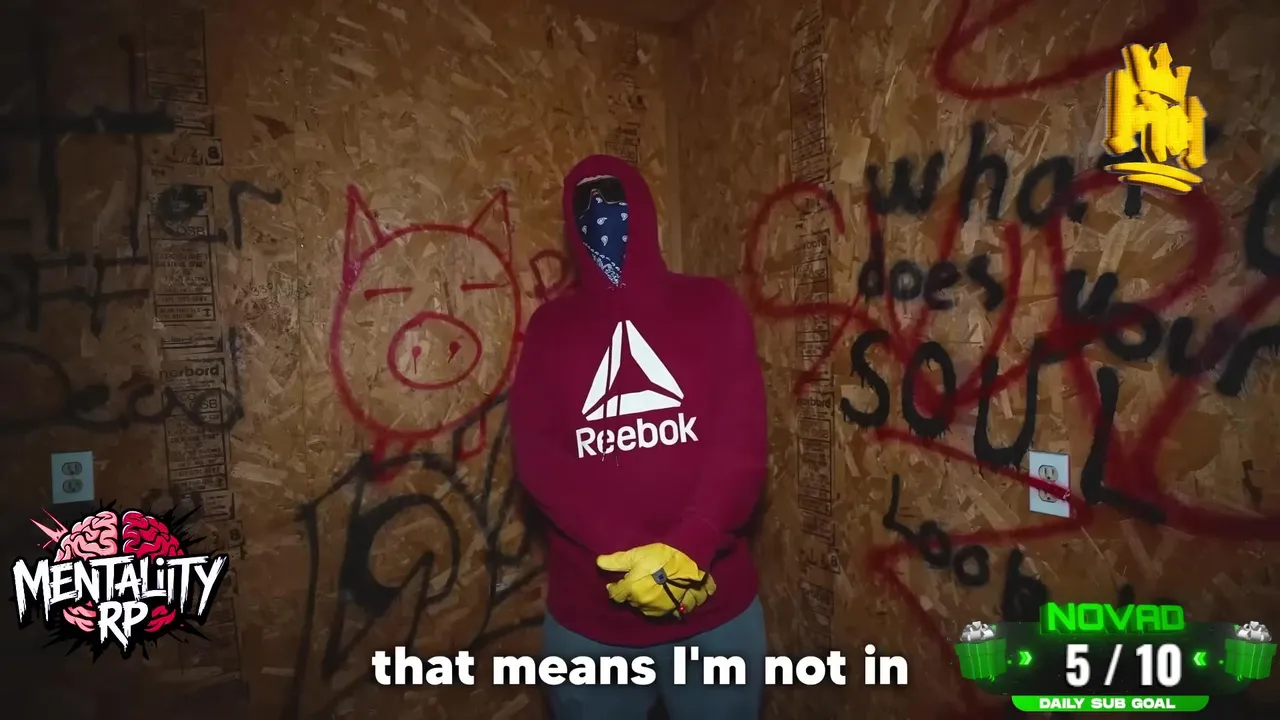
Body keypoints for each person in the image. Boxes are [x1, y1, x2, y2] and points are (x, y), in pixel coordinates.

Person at [508, 154, 768, 719]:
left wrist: (690, 547)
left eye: (616, 208)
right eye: (588, 213)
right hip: (591, 628)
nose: (604, 225)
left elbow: (741, 445)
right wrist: (631, 555)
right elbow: (539, 458)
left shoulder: (713, 306)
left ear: (644, 212)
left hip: (715, 618)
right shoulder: (550, 329)